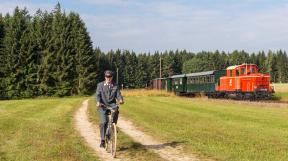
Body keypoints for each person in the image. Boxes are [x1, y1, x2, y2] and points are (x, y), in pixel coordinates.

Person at [96, 70, 124, 148]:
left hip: (112, 104)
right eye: (107, 76)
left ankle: (113, 126)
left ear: (112, 77)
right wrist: (98, 102)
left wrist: (120, 100)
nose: (108, 78)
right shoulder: (100, 85)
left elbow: (118, 94)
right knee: (103, 122)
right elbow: (97, 95)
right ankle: (102, 140)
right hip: (102, 105)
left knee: (116, 110)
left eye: (110, 77)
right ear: (105, 77)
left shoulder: (115, 86)